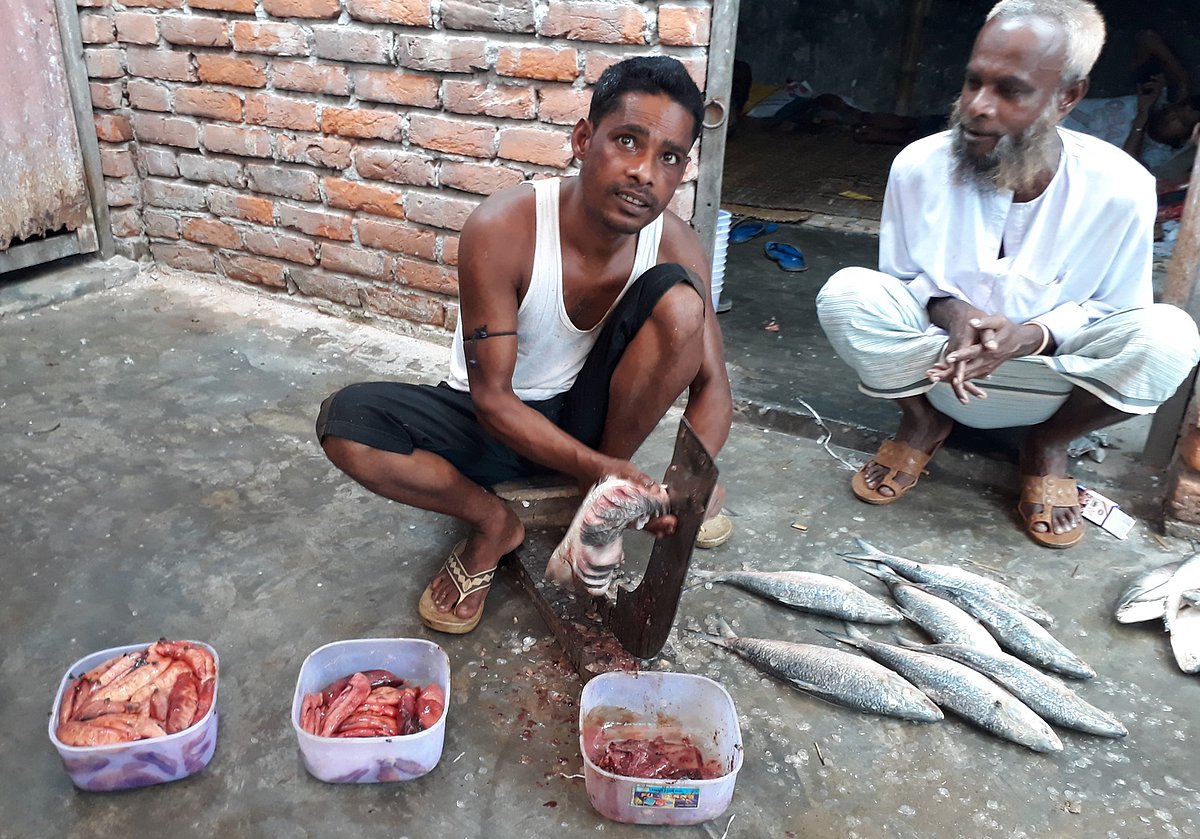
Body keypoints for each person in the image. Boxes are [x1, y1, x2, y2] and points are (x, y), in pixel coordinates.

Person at [315, 56, 733, 633]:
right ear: (584, 139)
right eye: (627, 141)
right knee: (349, 423)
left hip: (588, 416)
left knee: (682, 303)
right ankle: (495, 522)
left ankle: (597, 495)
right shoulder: (505, 227)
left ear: (682, 170)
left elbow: (714, 386)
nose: (644, 172)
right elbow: (493, 399)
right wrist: (607, 471)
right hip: (494, 418)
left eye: (668, 157)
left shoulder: (675, 243)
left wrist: (689, 486)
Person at [816, 0, 1200, 549]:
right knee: (848, 294)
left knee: (1170, 336)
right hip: (937, 368)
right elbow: (902, 280)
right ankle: (922, 422)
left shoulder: (1122, 186)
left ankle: (1047, 444)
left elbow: (1118, 311)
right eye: (973, 82)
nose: (976, 107)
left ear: (1068, 97)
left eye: (1010, 91)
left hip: (1057, 378)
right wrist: (955, 314)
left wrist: (1029, 336)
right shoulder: (918, 165)